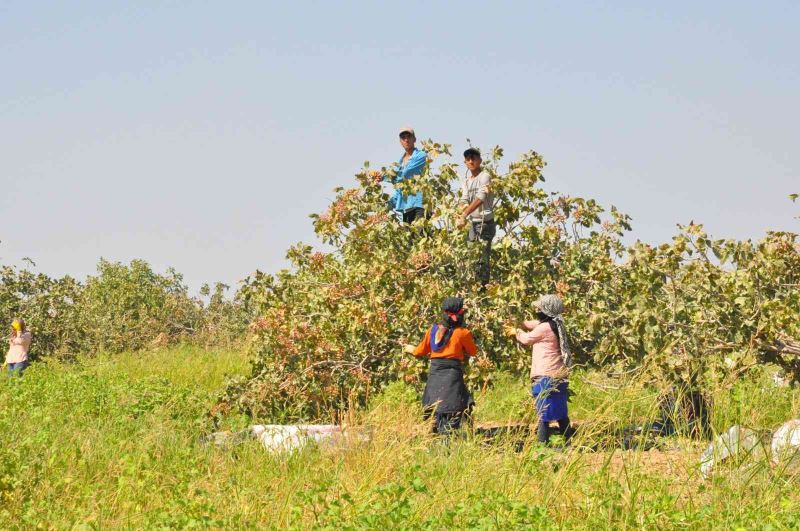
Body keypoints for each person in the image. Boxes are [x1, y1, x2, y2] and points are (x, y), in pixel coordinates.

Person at [505, 295, 573, 444]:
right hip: (558, 375)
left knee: (543, 412)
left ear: (546, 311)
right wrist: (519, 323)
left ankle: (542, 444)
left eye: (540, 308)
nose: (537, 310)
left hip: (545, 375)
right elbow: (533, 324)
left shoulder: (544, 328)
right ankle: (568, 441)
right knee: (560, 411)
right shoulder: (557, 323)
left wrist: (516, 331)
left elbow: (526, 339)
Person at [404, 297, 477, 435]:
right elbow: (473, 352)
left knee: (437, 412)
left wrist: (409, 348)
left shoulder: (432, 330)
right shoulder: (463, 333)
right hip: (452, 379)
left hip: (435, 378)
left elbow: (420, 351)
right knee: (454, 411)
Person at [370, 127, 428, 223]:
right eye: (403, 137)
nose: (406, 140)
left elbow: (406, 173)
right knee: (409, 237)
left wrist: (383, 177)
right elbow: (399, 190)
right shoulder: (400, 163)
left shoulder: (421, 155)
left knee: (420, 235)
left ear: (414, 139)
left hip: (420, 205)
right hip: (407, 208)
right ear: (400, 141)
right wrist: (383, 208)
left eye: (409, 137)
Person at [458, 147, 495, 286]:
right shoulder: (467, 181)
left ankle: (483, 287)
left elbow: (481, 197)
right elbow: (464, 198)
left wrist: (465, 213)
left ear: (480, 160)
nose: (471, 161)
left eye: (474, 158)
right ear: (465, 162)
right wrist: (459, 212)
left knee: (482, 257)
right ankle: (474, 285)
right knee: (471, 256)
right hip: (473, 223)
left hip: (485, 222)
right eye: (468, 159)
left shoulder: (485, 176)